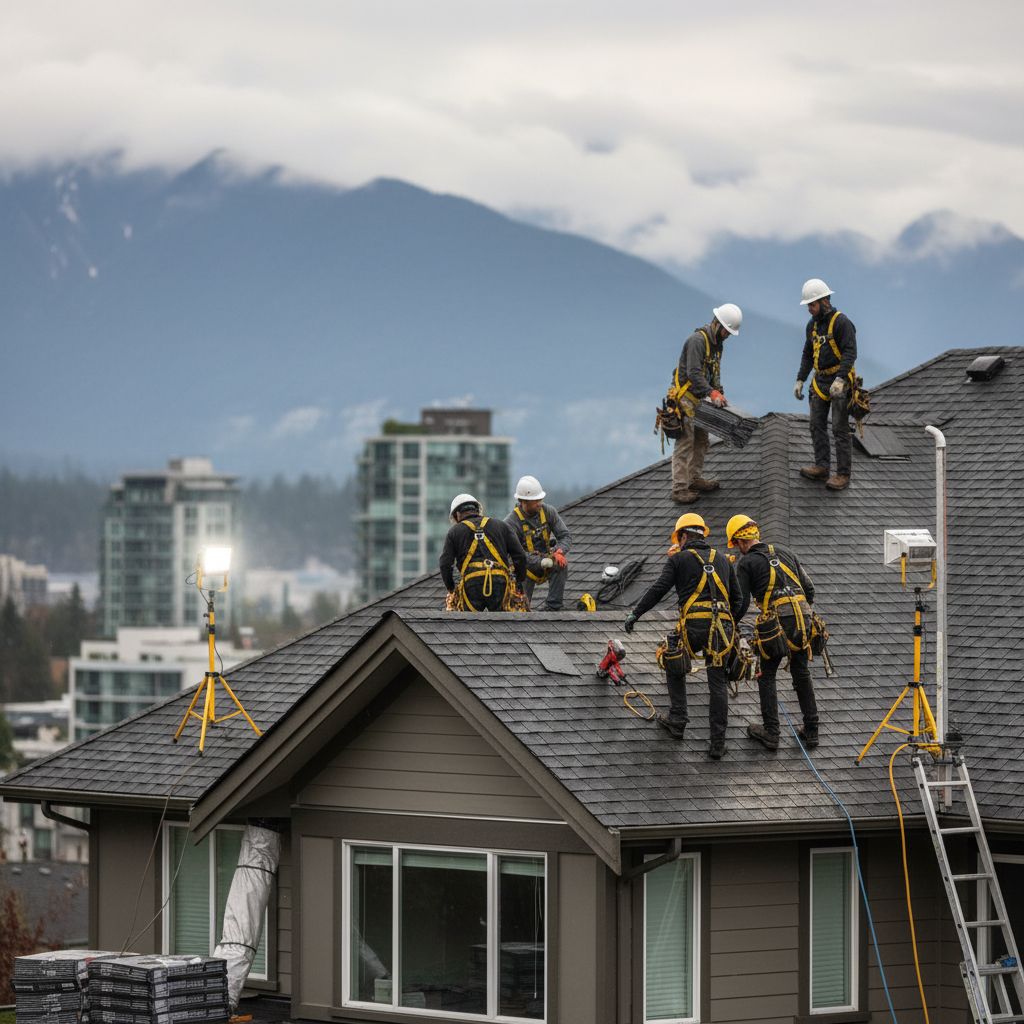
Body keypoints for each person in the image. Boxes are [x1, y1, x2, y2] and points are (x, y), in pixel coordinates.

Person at [623, 512, 743, 759]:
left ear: (684, 536)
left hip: (694, 626)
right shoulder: (723, 560)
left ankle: (678, 720)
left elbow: (658, 589)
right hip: (722, 627)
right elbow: (738, 600)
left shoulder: (678, 560)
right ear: (703, 534)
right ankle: (718, 744)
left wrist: (635, 614)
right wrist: (732, 627)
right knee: (717, 682)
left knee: (673, 656)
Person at [726, 513, 820, 750]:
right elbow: (808, 587)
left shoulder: (746, 563)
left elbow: (741, 602)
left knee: (767, 674)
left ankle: (771, 732)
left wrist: (731, 625)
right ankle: (811, 731)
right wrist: (805, 614)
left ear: (739, 541)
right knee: (801, 671)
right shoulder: (785, 551)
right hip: (803, 618)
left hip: (777, 623)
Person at [669, 303, 743, 504]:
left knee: (702, 440)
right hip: (685, 398)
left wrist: (719, 392)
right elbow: (693, 374)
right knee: (685, 442)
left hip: (700, 398)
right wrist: (712, 392)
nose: (727, 335)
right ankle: (679, 488)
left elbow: (714, 372)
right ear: (717, 325)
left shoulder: (717, 345)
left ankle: (694, 479)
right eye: (726, 331)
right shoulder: (697, 341)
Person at [794, 279, 858, 491]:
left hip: (839, 381)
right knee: (816, 424)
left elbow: (850, 352)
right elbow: (807, 353)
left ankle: (842, 474)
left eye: (812, 304)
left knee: (839, 428)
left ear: (824, 301)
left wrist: (840, 378)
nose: (810, 309)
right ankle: (822, 466)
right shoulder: (812, 325)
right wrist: (801, 378)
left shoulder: (842, 323)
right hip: (820, 381)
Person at [440, 493, 527, 612]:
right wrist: (518, 581)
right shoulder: (501, 526)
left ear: (457, 515)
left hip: (472, 584)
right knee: (502, 622)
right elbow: (520, 556)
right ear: (477, 510)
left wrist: (451, 589)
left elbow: (445, 564)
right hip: (500, 582)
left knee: (468, 624)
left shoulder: (454, 532)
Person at [504, 475, 572, 611]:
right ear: (523, 501)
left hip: (547, 560)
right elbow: (515, 553)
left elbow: (565, 536)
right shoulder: (511, 522)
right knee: (521, 609)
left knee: (561, 564)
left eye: (540, 499)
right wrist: (539, 561)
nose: (539, 503)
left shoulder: (548, 512)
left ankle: (553, 607)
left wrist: (559, 551)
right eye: (535, 501)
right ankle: (522, 609)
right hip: (523, 567)